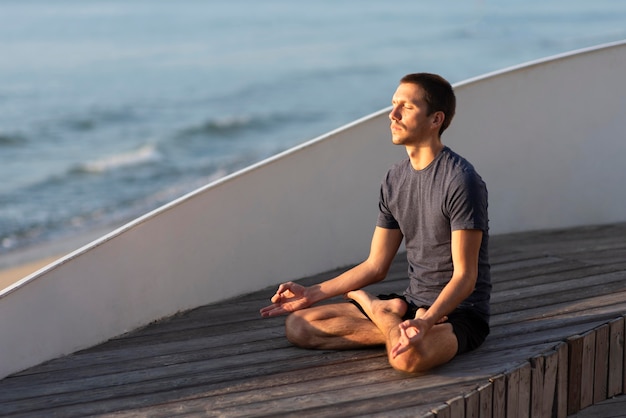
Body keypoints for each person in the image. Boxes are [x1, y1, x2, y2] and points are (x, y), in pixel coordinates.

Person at [260, 73, 490, 374]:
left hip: (458, 313)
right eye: (393, 105)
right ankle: (391, 318)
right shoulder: (394, 179)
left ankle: (380, 312)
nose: (392, 115)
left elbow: (465, 277)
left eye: (405, 107)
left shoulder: (460, 180)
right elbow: (376, 265)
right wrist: (312, 293)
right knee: (299, 325)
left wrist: (426, 321)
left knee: (407, 360)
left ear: (435, 119)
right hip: (412, 303)